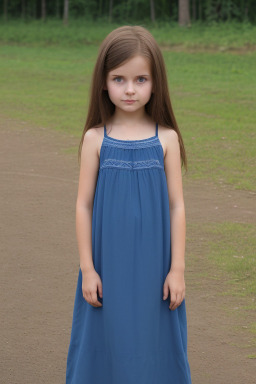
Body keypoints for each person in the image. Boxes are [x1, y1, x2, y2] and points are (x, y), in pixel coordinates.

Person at [66, 25, 192, 384]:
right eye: (119, 79)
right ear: (104, 82)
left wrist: (177, 269)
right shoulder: (95, 139)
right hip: (108, 263)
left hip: (156, 266)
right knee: (108, 334)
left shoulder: (166, 139)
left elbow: (177, 206)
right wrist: (88, 268)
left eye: (141, 79)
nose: (131, 89)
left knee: (153, 336)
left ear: (156, 83)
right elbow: (83, 206)